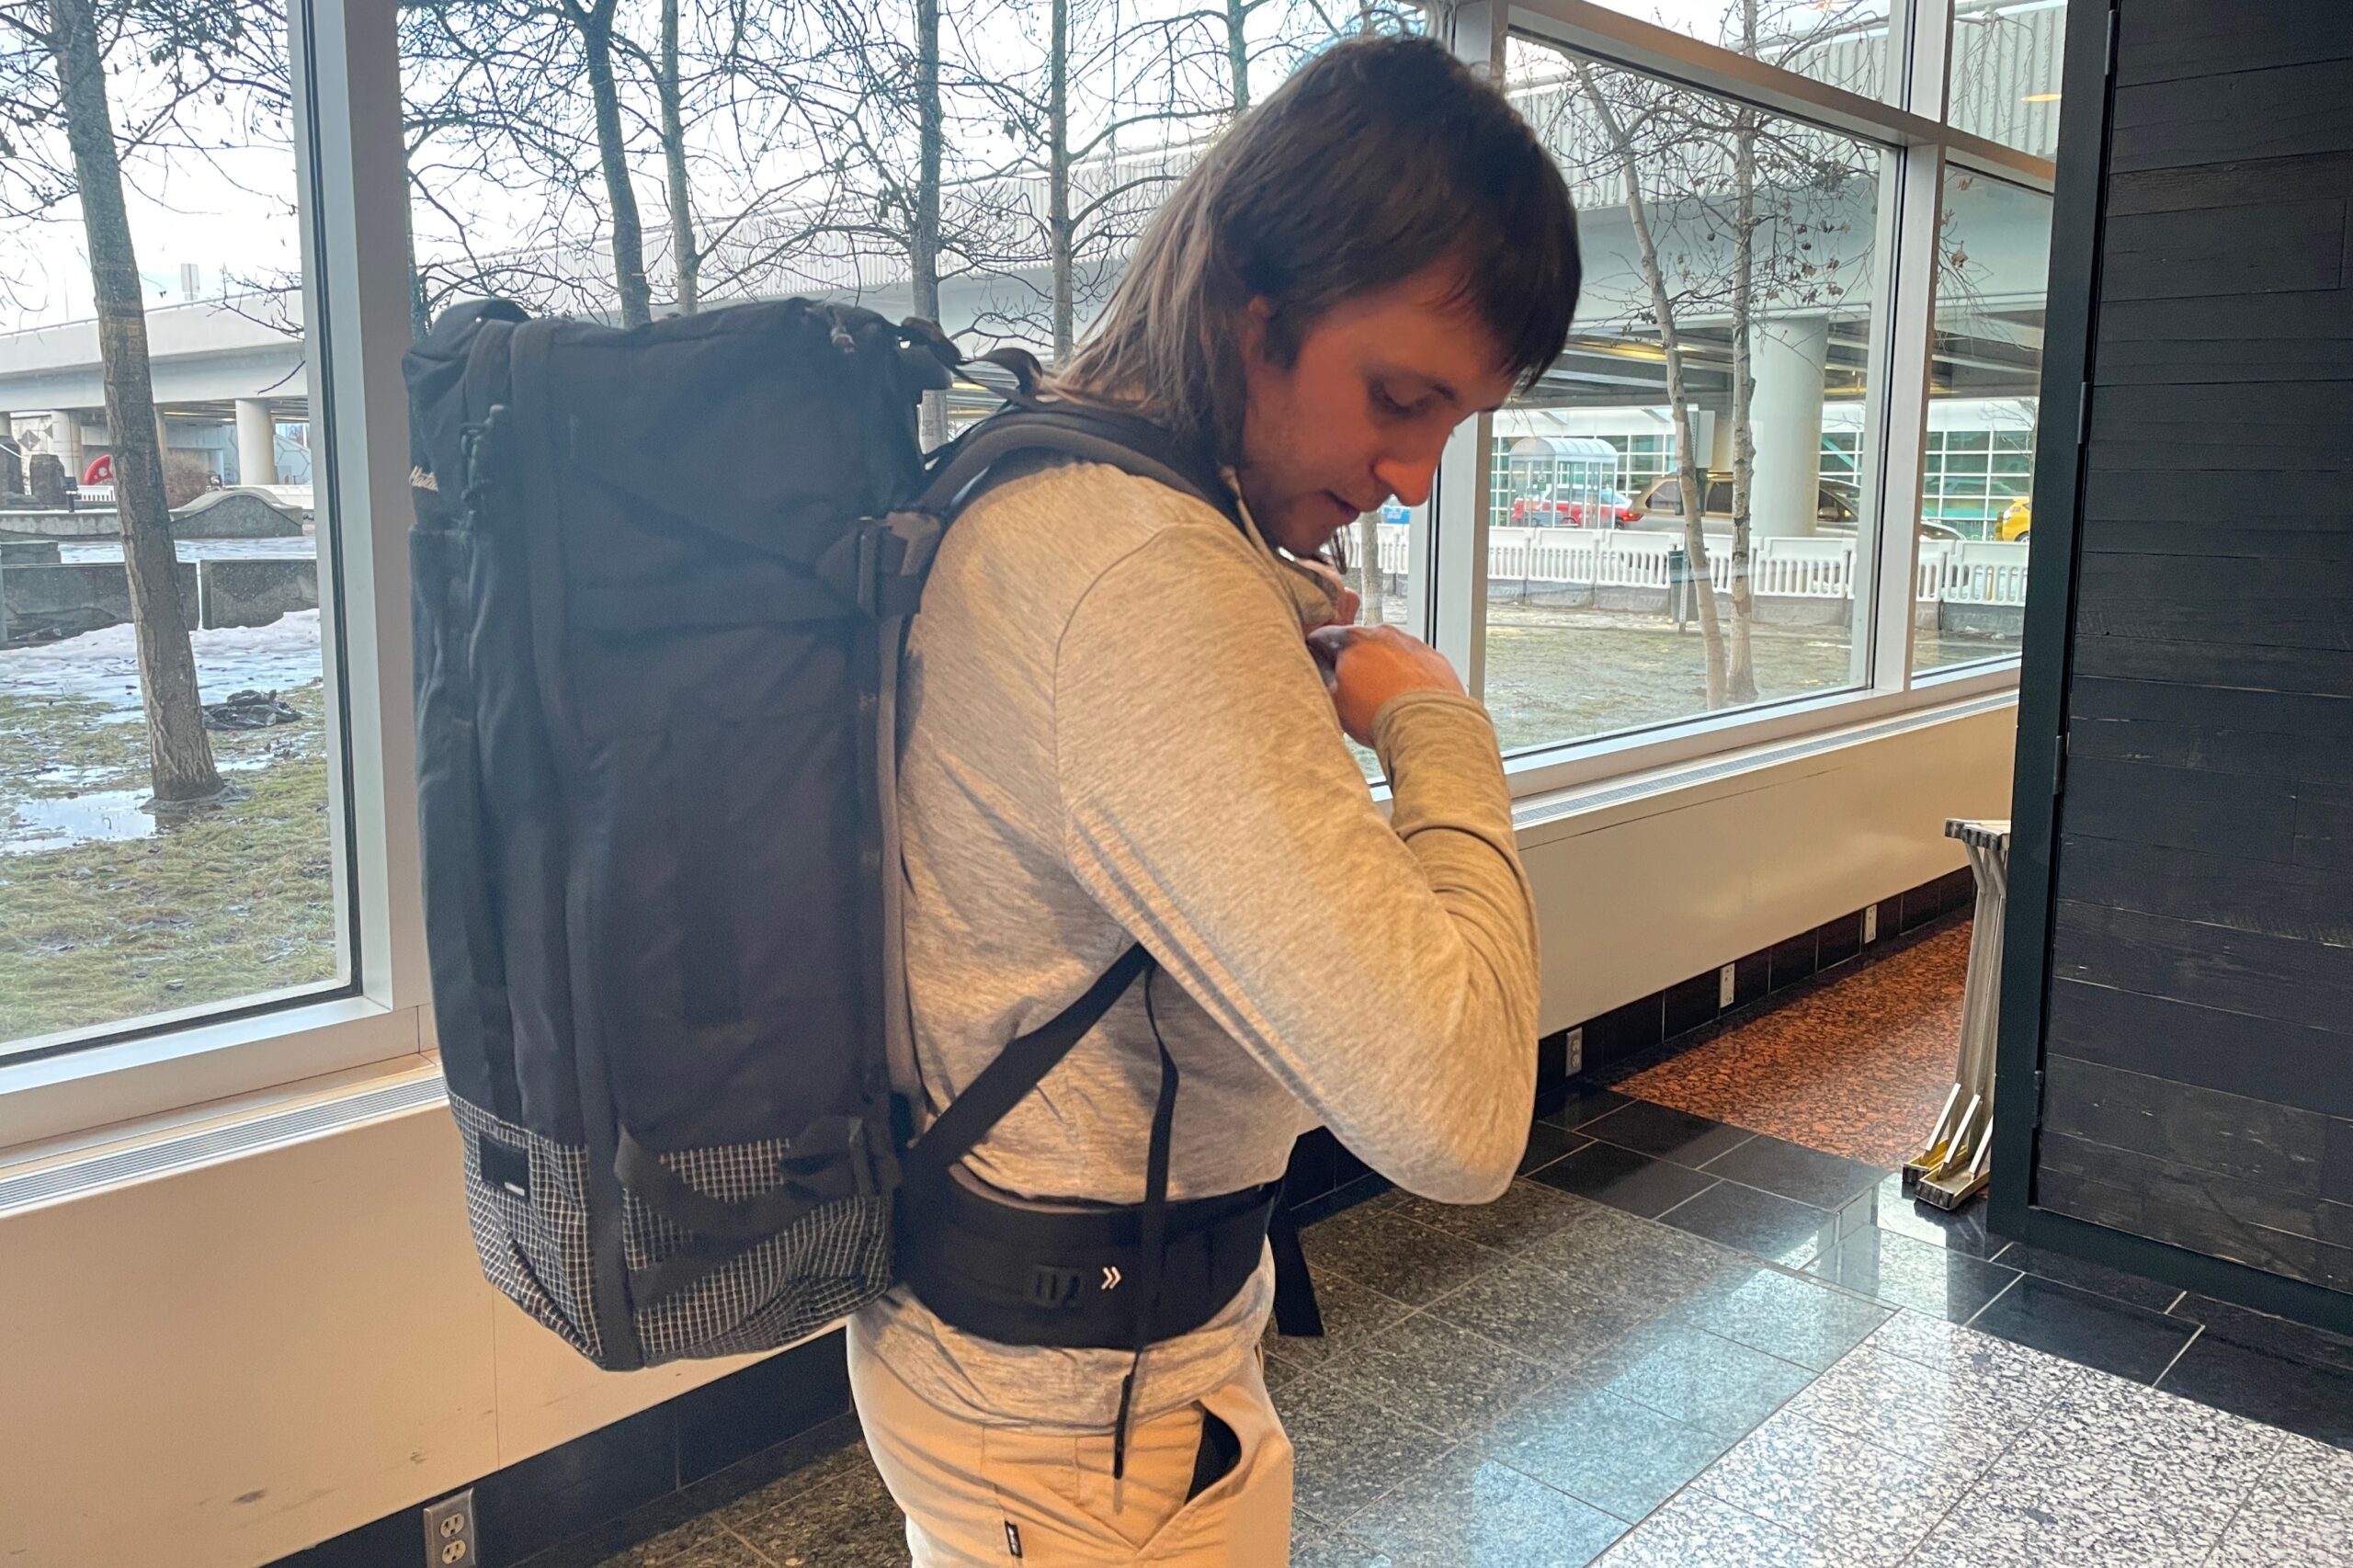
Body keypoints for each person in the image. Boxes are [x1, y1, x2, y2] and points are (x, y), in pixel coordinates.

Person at [851, 32, 1582, 1565]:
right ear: (1253, 311)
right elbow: (1459, 1112)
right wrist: (1440, 728)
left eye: (1455, 420)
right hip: (1086, 1441)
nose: (1414, 477)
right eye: (1398, 395)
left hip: (1039, 1382)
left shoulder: (1040, 476)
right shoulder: (1143, 578)